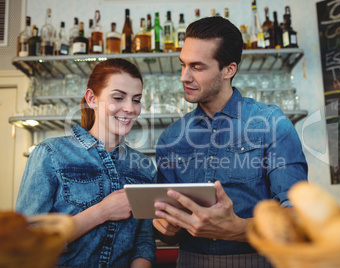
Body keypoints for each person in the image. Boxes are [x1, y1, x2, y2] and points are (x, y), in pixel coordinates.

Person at [153, 16, 308, 267]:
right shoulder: (171, 138)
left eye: (197, 67)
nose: (184, 76)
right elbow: (165, 229)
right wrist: (166, 227)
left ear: (229, 70)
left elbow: (298, 219)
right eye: (182, 64)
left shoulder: (272, 124)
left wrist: (237, 228)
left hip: (258, 259)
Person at [16, 58, 156, 267]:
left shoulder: (142, 166)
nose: (130, 108)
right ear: (91, 98)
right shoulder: (51, 153)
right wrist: (102, 212)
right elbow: (25, 241)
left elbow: (144, 241)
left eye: (136, 100)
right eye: (118, 97)